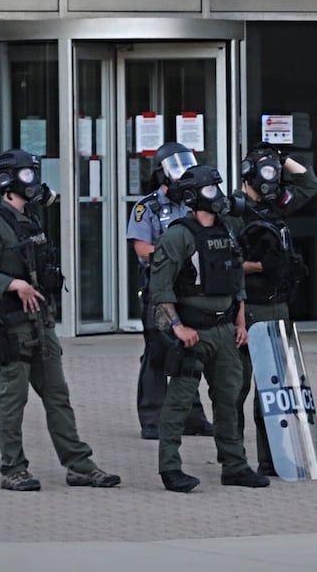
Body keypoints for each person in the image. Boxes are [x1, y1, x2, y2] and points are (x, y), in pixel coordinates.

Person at [0, 148, 120, 491]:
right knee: (13, 398)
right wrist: (13, 284)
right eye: (26, 175)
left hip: (41, 321)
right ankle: (13, 468)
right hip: (12, 324)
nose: (33, 181)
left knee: (57, 395)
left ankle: (79, 465)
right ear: (8, 182)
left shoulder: (31, 220)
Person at [149, 164, 269, 491]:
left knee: (229, 399)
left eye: (217, 187)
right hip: (192, 332)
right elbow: (159, 290)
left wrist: (240, 320)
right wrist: (177, 328)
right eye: (209, 189)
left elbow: (236, 278)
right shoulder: (178, 235)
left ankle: (234, 465)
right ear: (192, 196)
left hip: (225, 331)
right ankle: (170, 468)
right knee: (179, 401)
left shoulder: (227, 230)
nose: (216, 195)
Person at [228, 144, 317, 474]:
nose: (271, 180)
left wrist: (281, 160)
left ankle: (272, 459)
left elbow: (311, 184)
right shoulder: (233, 210)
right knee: (236, 388)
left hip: (277, 307)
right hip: (244, 309)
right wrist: (259, 266)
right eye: (264, 172)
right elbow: (224, 263)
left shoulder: (275, 207)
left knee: (273, 391)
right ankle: (235, 460)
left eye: (274, 173)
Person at [127, 141, 211, 439]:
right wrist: (177, 255)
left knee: (190, 352)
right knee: (157, 352)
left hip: (188, 290)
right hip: (158, 290)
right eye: (176, 169)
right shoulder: (146, 207)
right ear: (162, 173)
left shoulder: (192, 204)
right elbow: (141, 248)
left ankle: (193, 418)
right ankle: (152, 418)